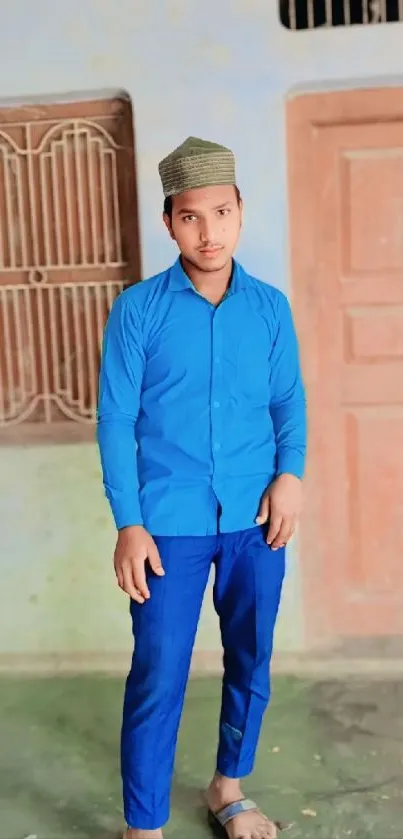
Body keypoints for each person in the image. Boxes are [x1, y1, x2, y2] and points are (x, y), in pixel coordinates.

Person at [97, 136, 307, 839]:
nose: (208, 230)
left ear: (240, 213)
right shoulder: (138, 311)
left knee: (250, 656)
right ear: (168, 223)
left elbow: (287, 402)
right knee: (158, 669)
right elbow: (116, 418)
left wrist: (290, 475)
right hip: (167, 525)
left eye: (221, 212)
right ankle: (143, 824)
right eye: (191, 216)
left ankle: (228, 786)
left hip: (254, 518)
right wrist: (129, 521)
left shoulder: (270, 308)